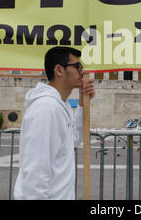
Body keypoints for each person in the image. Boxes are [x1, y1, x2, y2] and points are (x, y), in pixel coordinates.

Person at [14, 46, 95, 200]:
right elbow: (36, 172)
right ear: (59, 70)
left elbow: (73, 140)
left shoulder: (59, 105)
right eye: (77, 67)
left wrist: (82, 104)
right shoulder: (46, 108)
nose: (82, 72)